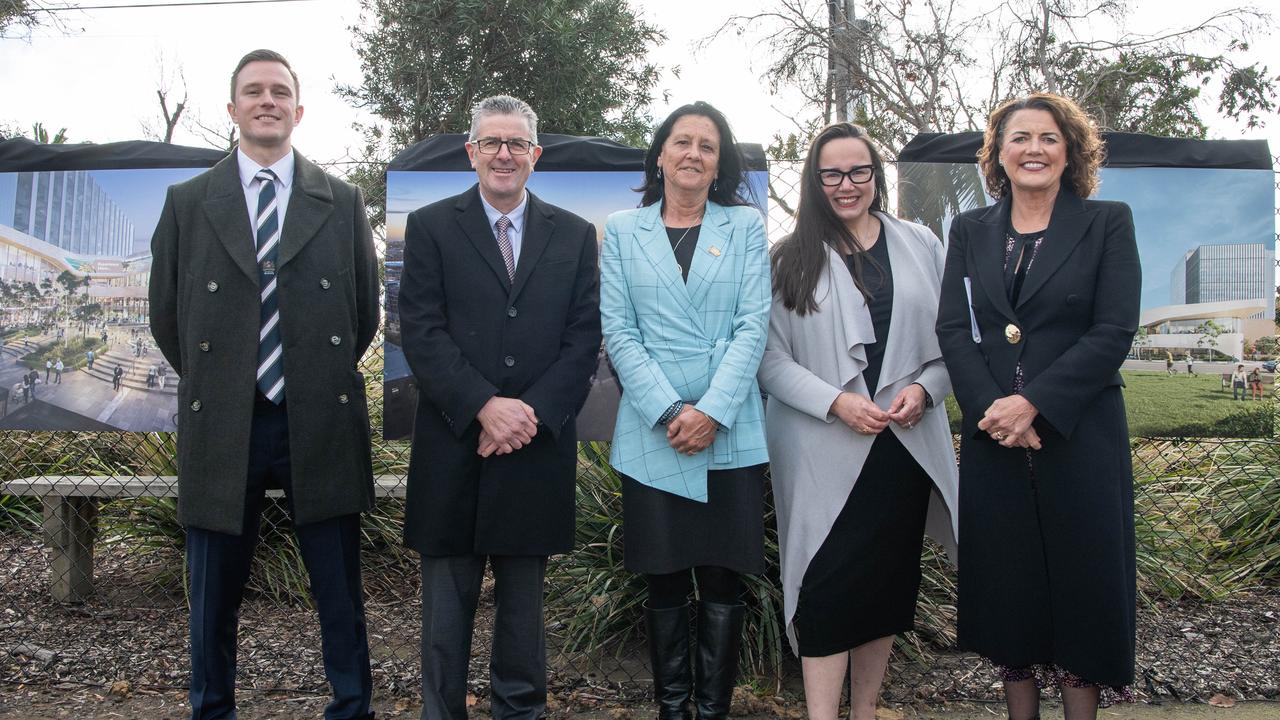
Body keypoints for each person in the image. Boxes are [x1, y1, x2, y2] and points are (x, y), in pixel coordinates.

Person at [149, 49, 379, 720]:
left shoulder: (340, 201)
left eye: (280, 91)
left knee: (338, 589)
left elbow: (361, 313)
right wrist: (221, 379)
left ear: (298, 110)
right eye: (254, 91)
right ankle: (211, 709)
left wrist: (306, 370)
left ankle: (352, 707)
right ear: (233, 110)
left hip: (317, 414)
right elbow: (168, 314)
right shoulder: (190, 202)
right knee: (212, 591)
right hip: (225, 417)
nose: (267, 100)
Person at [936, 92, 1140, 720]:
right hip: (996, 439)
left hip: (1078, 435)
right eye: (1019, 138)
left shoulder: (1108, 221)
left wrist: (1034, 406)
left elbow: (1113, 330)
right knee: (1010, 591)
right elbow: (952, 329)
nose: (1034, 149)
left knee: (1083, 587)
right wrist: (994, 410)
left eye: (1048, 138)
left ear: (1069, 150)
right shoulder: (971, 230)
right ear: (998, 153)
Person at [397, 95, 600, 720]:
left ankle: (521, 711)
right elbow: (420, 331)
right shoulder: (430, 226)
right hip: (454, 444)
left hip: (533, 450)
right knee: (444, 614)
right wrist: (485, 405)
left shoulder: (574, 234)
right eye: (492, 143)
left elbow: (584, 338)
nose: (504, 154)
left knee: (522, 612)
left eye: (516, 144)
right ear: (472, 152)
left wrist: (527, 414)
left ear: (535, 156)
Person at [756, 123, 959, 720]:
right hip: (822, 448)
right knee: (824, 586)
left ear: (876, 174)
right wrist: (836, 401)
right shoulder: (788, 258)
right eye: (832, 174)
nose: (847, 185)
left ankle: (866, 711)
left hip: (904, 445)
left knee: (885, 590)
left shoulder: (921, 243)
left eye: (859, 171)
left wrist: (925, 389)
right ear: (815, 182)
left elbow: (953, 341)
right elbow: (768, 361)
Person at [600, 101, 770, 720]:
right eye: (682, 142)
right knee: (665, 576)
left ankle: (712, 711)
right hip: (654, 429)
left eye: (708, 145)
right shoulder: (623, 229)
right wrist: (673, 409)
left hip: (729, 425)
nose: (693, 154)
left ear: (719, 161)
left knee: (724, 577)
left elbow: (754, 327)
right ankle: (674, 709)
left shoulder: (746, 227)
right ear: (661, 153)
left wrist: (711, 412)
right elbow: (618, 331)